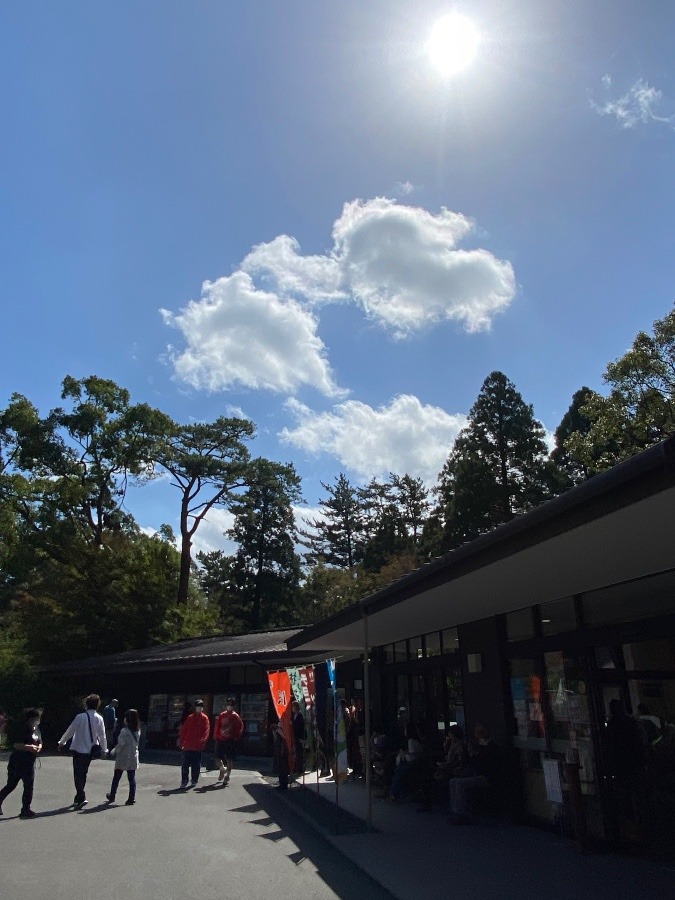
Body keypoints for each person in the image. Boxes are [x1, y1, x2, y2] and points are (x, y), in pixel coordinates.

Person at [58, 693, 107, 809]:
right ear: (97, 705)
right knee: (83, 773)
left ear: (86, 704)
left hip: (79, 748)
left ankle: (81, 796)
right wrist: (104, 750)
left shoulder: (80, 717)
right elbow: (102, 735)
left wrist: (62, 742)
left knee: (77, 774)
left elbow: (70, 730)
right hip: (91, 750)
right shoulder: (99, 718)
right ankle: (78, 797)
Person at [447, 724, 501, 824]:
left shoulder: (490, 748)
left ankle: (462, 813)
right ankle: (456, 811)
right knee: (453, 781)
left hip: (487, 776)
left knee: (459, 783)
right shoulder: (482, 747)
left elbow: (484, 764)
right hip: (480, 774)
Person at [0, 707, 43, 819]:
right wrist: (30, 747)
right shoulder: (22, 729)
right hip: (18, 761)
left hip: (29, 762)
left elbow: (39, 741)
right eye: (36, 719)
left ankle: (25, 809)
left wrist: (38, 747)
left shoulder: (36, 729)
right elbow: (17, 745)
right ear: (30, 719)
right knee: (11, 784)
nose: (37, 721)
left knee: (29, 786)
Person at [418, 724, 469, 813]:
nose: (448, 735)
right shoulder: (453, 745)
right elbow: (446, 755)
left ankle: (427, 803)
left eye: (450, 733)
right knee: (426, 774)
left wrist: (442, 765)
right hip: (447, 766)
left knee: (426, 776)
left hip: (450, 769)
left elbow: (457, 761)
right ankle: (427, 802)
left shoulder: (460, 746)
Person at [106, 709, 140, 806]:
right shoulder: (137, 730)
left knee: (116, 777)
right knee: (131, 778)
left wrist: (113, 751)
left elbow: (121, 744)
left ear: (127, 719)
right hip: (133, 756)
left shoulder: (124, 731)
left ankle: (112, 795)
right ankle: (131, 798)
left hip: (123, 756)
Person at [178, 699, 210, 789]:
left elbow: (206, 730)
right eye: (197, 706)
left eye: (200, 706)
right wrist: (181, 742)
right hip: (188, 745)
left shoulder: (204, 718)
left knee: (196, 765)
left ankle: (194, 780)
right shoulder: (190, 717)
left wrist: (204, 740)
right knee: (185, 765)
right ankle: (184, 781)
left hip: (198, 746)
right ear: (195, 707)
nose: (199, 708)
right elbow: (184, 730)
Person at [389, 723, 424, 802]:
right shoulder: (417, 740)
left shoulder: (411, 741)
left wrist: (404, 753)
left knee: (398, 773)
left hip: (411, 763)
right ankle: (398, 793)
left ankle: (394, 794)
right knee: (398, 771)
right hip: (414, 762)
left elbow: (413, 753)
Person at [214, 698, 244, 785]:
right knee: (217, 757)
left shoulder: (235, 716)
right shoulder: (222, 715)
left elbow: (240, 727)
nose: (229, 706)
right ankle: (222, 769)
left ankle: (227, 776)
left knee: (229, 759)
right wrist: (216, 736)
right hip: (221, 738)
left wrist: (236, 737)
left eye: (231, 705)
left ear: (233, 706)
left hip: (230, 740)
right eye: (228, 704)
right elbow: (218, 726)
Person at [290, 700, 306, 774]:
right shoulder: (294, 716)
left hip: (299, 737)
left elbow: (301, 727)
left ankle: (300, 768)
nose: (292, 708)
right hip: (294, 736)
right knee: (296, 752)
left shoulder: (300, 716)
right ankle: (297, 768)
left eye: (293, 707)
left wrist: (302, 738)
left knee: (300, 753)